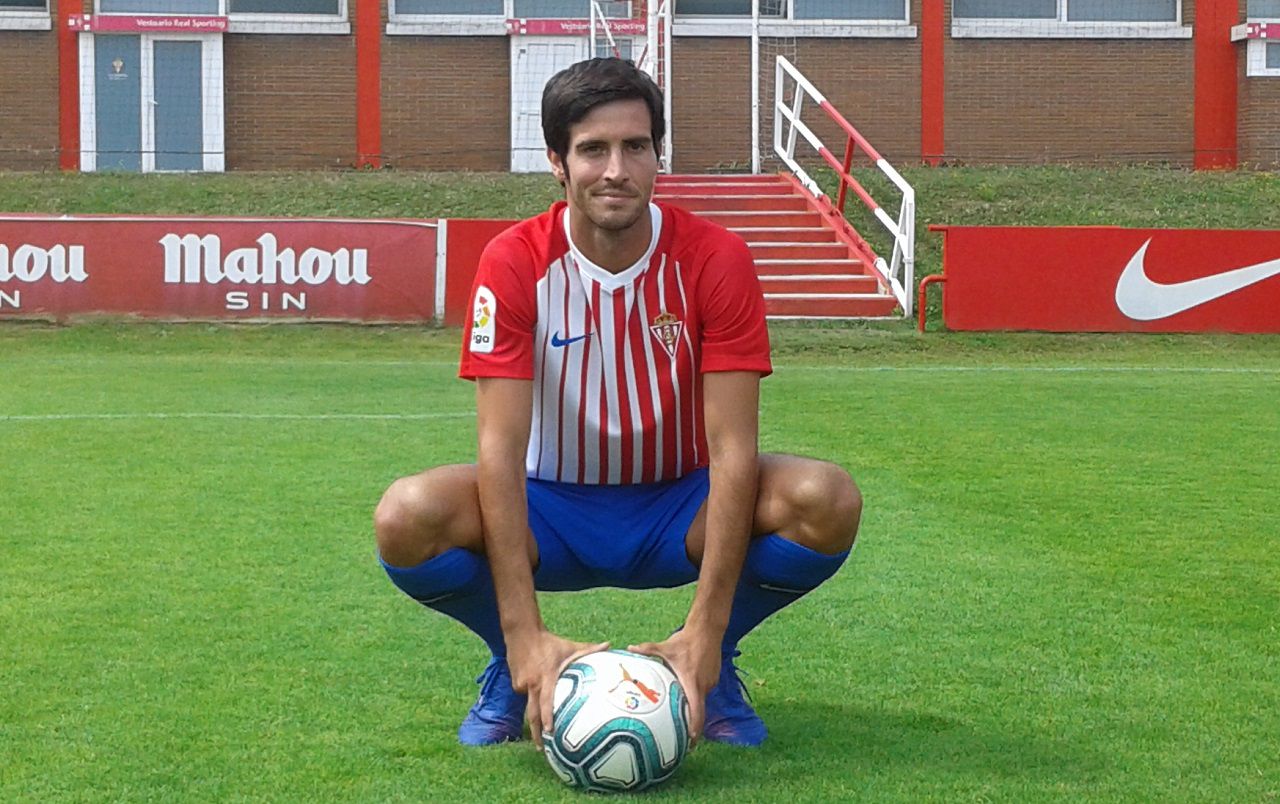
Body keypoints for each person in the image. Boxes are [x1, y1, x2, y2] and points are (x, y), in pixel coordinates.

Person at [374, 58, 860, 749]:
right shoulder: (513, 263)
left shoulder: (715, 258)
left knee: (826, 498)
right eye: (593, 149)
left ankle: (708, 663)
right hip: (552, 511)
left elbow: (732, 451)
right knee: (405, 516)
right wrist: (523, 633)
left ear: (658, 156)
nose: (616, 169)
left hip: (676, 507)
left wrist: (707, 631)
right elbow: (500, 453)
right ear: (557, 162)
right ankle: (516, 666)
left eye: (636, 146)